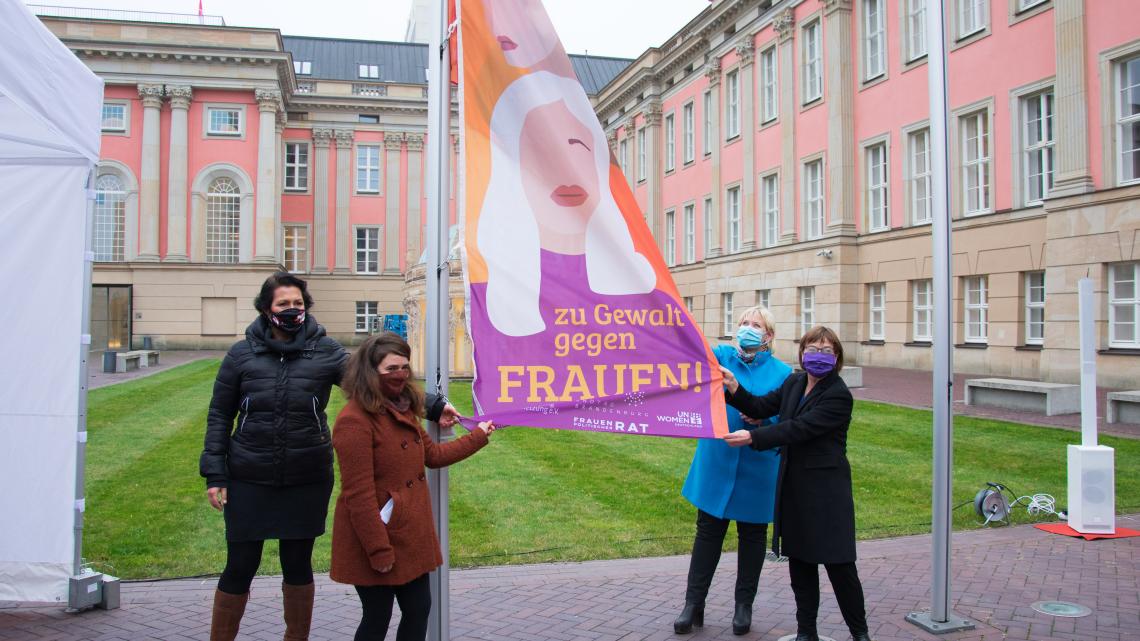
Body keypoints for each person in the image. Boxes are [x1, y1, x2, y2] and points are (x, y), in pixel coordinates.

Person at [200, 273, 460, 641]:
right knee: (240, 565)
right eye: (283, 305)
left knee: (297, 565)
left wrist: (432, 406)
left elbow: (373, 380)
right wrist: (215, 474)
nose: (292, 311)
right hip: (249, 475)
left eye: (298, 304)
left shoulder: (324, 350)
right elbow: (220, 415)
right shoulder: (241, 355)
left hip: (306, 477)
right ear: (265, 309)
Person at [330, 333, 496, 641]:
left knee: (419, 610)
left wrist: (478, 436)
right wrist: (379, 550)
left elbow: (431, 456)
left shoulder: (401, 407)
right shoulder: (354, 421)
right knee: (377, 617)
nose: (401, 375)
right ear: (370, 372)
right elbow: (358, 496)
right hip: (374, 538)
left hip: (408, 536)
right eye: (391, 368)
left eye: (405, 367)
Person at [719, 326, 872, 641]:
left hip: (827, 495)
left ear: (837, 357)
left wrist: (753, 437)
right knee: (801, 565)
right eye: (812, 349)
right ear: (802, 352)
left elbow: (798, 429)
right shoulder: (795, 382)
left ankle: (860, 634)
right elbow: (761, 408)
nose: (818, 355)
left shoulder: (838, 395)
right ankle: (806, 633)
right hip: (795, 489)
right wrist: (733, 387)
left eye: (826, 350)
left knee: (840, 567)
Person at [675, 306, 791, 636]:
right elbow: (685, 352)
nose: (747, 329)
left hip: (757, 465)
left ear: (769, 336)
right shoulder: (720, 356)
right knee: (707, 533)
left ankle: (744, 606)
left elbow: (787, 421)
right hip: (717, 460)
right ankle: (693, 604)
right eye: (743, 323)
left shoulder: (783, 373)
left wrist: (764, 421)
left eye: (756, 325)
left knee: (752, 537)